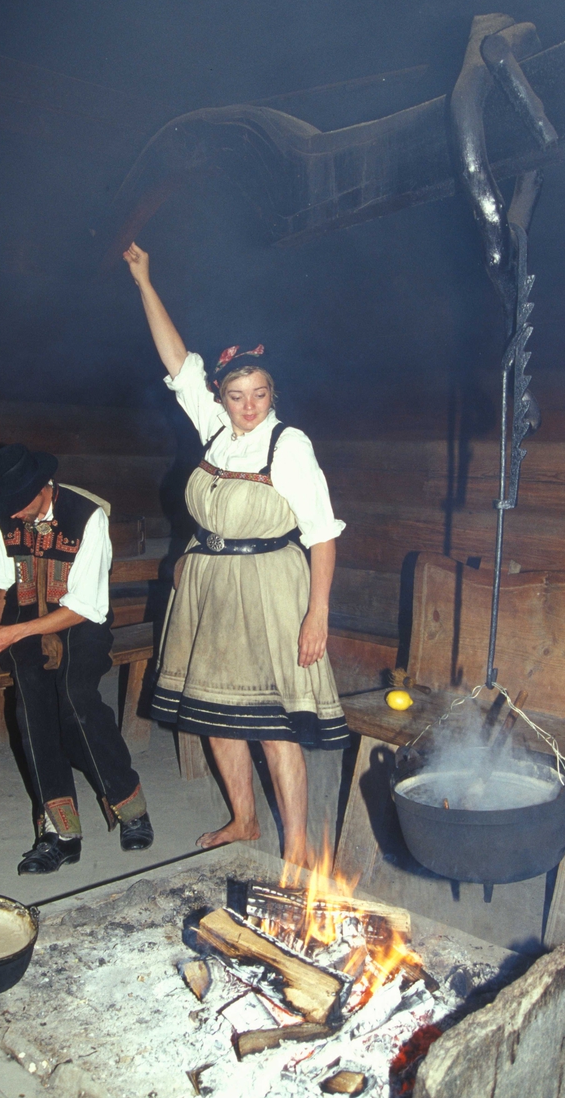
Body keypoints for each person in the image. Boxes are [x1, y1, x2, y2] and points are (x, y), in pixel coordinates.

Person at [124, 242, 349, 866]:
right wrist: (145, 279)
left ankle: (298, 847)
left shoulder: (290, 444)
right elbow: (176, 358)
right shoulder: (215, 430)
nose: (249, 407)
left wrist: (317, 615)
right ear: (220, 397)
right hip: (209, 587)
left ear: (272, 392)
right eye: (237, 395)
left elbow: (323, 533)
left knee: (276, 727)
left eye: (260, 394)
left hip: (273, 586)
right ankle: (245, 821)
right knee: (218, 718)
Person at [0, 443, 154, 874]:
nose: (15, 514)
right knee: (34, 714)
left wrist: (13, 630)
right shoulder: (3, 515)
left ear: (46, 487)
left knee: (77, 702)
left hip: (80, 623)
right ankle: (60, 834)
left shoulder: (87, 517)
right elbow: (4, 585)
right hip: (22, 619)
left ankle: (131, 808)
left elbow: (87, 605)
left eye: (20, 504)